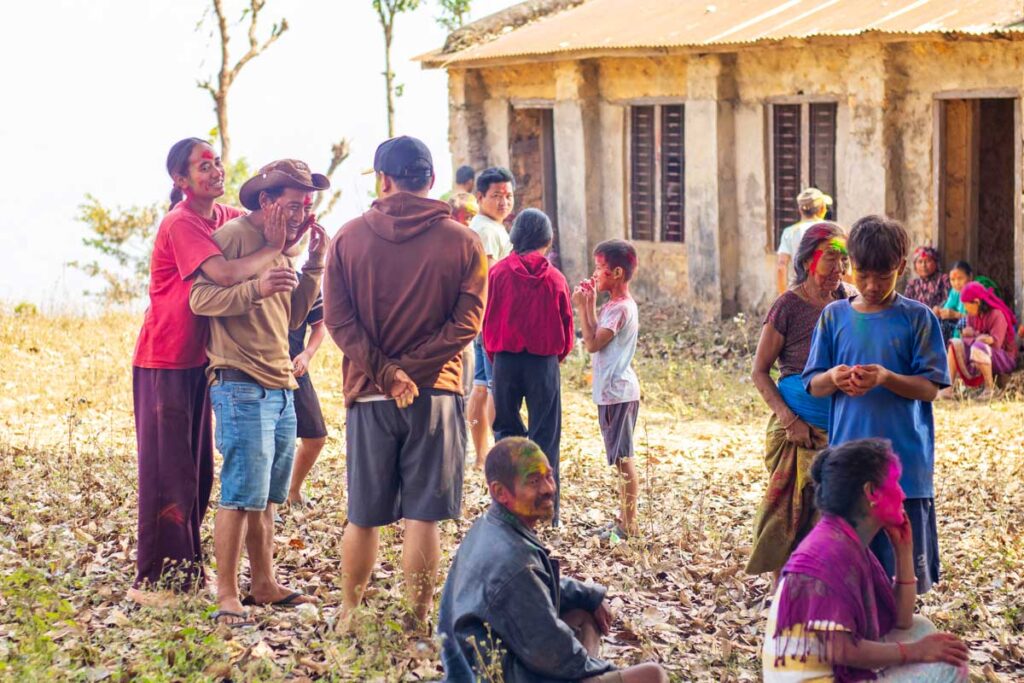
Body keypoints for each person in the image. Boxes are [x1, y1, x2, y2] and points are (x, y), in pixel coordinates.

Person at [323, 135, 486, 630]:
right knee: (423, 515)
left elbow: (338, 320)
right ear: (431, 181)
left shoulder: (347, 239)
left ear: (383, 179)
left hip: (370, 392)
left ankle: (350, 613)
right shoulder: (464, 241)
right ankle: (416, 623)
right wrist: (412, 372)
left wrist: (388, 372)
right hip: (435, 393)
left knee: (365, 514)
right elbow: (467, 323)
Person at [129, 138, 289, 606]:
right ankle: (157, 582)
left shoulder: (221, 219)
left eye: (217, 162)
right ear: (181, 181)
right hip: (165, 360)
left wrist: (290, 225)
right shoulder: (180, 222)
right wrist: (274, 249)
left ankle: (187, 572)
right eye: (204, 166)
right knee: (168, 472)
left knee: (198, 472)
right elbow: (222, 274)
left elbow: (257, 232)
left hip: (205, 361)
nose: (216, 171)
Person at [190, 159, 328, 626]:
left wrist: (313, 267)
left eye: (306, 206)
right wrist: (255, 286)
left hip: (281, 384)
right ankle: (227, 592)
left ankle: (264, 582)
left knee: (268, 496)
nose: (300, 216)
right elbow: (201, 299)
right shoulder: (233, 239)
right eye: (292, 205)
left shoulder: (287, 245)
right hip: (239, 382)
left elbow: (290, 320)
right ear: (266, 201)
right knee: (239, 493)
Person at [437, 437, 669, 683]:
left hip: (490, 659)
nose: (548, 488)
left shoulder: (489, 526)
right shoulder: (515, 563)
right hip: (496, 675)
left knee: (584, 613)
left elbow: (539, 586)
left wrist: (589, 594)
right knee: (653, 675)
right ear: (500, 492)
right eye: (533, 481)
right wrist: (605, 671)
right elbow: (551, 653)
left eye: (549, 476)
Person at [804, 215, 949, 594]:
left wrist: (886, 377)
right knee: (848, 577)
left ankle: (897, 644)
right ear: (850, 264)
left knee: (903, 576)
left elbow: (930, 388)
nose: (871, 286)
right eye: (863, 274)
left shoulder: (918, 319)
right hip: (848, 468)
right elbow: (814, 385)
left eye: (883, 277)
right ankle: (861, 647)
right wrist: (834, 377)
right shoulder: (834, 317)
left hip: (905, 470)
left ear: (900, 267)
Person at [763, 438, 969, 682]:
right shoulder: (828, 553)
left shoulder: (844, 539)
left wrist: (904, 550)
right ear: (871, 492)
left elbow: (901, 620)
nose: (902, 494)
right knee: (947, 664)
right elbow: (840, 650)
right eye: (895, 483)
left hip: (832, 668)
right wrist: (915, 652)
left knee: (920, 627)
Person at [747, 223, 855, 579]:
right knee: (791, 518)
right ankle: (784, 595)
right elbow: (760, 371)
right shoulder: (788, 307)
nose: (838, 269)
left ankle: (821, 587)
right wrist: (790, 421)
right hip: (795, 433)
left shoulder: (849, 300)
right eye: (830, 260)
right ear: (808, 261)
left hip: (839, 430)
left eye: (843, 260)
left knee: (831, 516)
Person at [484, 208, 574, 525]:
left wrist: (497, 358)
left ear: (516, 236)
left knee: (507, 433)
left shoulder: (498, 273)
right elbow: (566, 328)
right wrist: (555, 358)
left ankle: (508, 510)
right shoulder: (555, 278)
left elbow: (488, 320)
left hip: (506, 361)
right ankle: (550, 513)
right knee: (545, 436)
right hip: (543, 364)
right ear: (547, 241)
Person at [573, 239, 641, 542]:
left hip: (619, 392)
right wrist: (588, 306)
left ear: (616, 272)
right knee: (618, 458)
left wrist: (581, 307)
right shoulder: (613, 306)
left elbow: (591, 343)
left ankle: (629, 524)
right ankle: (623, 520)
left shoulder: (619, 309)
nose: (595, 274)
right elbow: (595, 337)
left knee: (624, 460)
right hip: (613, 392)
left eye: (599, 269)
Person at [468, 166, 515, 468]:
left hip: (482, 319)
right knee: (492, 387)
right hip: (490, 319)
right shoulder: (485, 230)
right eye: (496, 196)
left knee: (481, 385)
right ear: (480, 196)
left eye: (509, 196)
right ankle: (491, 453)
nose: (504, 202)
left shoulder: (490, 226)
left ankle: (481, 455)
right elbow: (490, 278)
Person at [286, 260, 328, 507]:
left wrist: (307, 354)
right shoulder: (251, 274)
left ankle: (293, 491)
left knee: (316, 436)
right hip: (261, 369)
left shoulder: (306, 280)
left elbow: (319, 326)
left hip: (296, 368)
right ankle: (267, 504)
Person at [945, 281, 1018, 400]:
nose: (965, 308)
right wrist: (975, 337)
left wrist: (975, 335)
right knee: (954, 343)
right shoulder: (972, 315)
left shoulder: (997, 315)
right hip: (980, 353)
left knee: (978, 347)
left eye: (966, 304)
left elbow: (996, 343)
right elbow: (967, 340)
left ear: (977, 302)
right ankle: (947, 389)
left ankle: (990, 389)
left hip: (1004, 358)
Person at [776, 187, 832, 293]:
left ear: (800, 210)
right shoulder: (831, 231)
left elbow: (781, 266)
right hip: (827, 291)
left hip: (800, 291)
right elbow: (844, 263)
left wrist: (783, 296)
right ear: (822, 208)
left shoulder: (790, 232)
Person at [933, 261, 972, 343]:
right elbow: (947, 308)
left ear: (970, 277)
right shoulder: (955, 292)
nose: (956, 283)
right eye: (952, 280)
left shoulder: (973, 293)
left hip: (971, 329)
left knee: (962, 323)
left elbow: (976, 319)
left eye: (960, 279)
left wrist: (955, 314)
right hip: (956, 326)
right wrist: (939, 311)